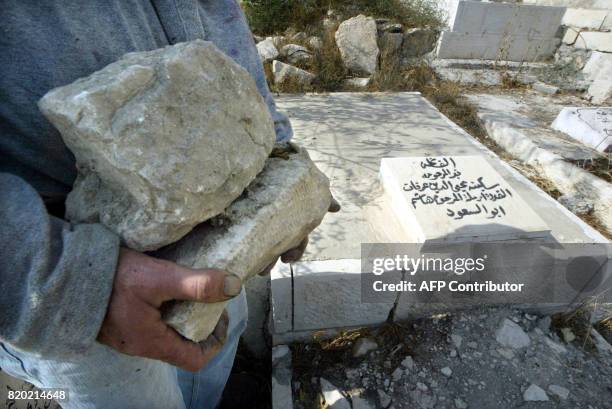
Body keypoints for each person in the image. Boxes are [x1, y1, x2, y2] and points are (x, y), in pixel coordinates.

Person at [0, 1, 332, 408]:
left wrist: (278, 155)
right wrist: (60, 279)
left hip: (215, 228)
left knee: (217, 346)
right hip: (76, 264)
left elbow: (219, 17)